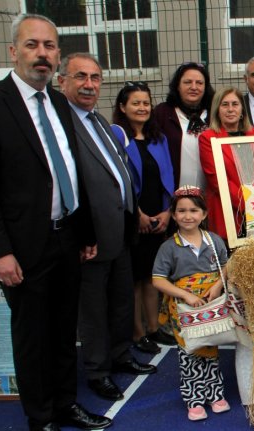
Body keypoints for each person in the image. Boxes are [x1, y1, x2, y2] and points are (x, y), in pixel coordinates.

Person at [0, 14, 112, 430]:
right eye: (32, 45)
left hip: (66, 238)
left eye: (49, 46)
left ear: (57, 55)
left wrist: (84, 233)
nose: (42, 54)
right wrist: (0, 251)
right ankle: (41, 416)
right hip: (22, 247)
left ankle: (66, 404)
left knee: (65, 331)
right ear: (14, 51)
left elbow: (71, 173)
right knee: (33, 336)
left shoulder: (61, 103)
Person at [58, 53, 156, 402]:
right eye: (80, 77)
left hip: (121, 229)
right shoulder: (63, 123)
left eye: (95, 77)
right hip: (92, 236)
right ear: (62, 82)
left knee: (119, 301)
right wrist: (85, 232)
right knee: (94, 309)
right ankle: (98, 371)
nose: (89, 84)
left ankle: (121, 354)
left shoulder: (99, 121)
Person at [151, 186, 230, 421]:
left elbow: (227, 266)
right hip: (184, 310)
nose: (188, 216)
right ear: (173, 215)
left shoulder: (214, 241)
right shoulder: (168, 247)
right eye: (181, 211)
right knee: (190, 351)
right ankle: (194, 400)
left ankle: (215, 394)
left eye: (194, 210)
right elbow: (157, 279)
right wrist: (185, 295)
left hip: (210, 305)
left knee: (211, 348)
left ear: (204, 214)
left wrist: (216, 286)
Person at [111, 82, 175, 358]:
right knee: (135, 278)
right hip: (132, 216)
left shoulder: (157, 138)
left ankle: (153, 327)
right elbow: (119, 180)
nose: (142, 108)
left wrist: (167, 211)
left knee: (152, 276)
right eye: (135, 103)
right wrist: (135, 214)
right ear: (123, 107)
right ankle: (137, 332)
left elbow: (168, 176)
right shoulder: (116, 136)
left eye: (146, 103)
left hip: (157, 216)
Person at [199, 87, 254, 242]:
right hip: (225, 209)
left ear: (242, 109)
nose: (230, 109)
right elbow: (216, 179)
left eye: (235, 104)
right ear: (217, 110)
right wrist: (248, 203)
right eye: (225, 105)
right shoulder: (207, 138)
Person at [154, 62, 215, 189]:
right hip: (174, 197)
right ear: (177, 86)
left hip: (209, 197)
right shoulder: (163, 113)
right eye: (187, 82)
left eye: (199, 83)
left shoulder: (215, 114)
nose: (194, 87)